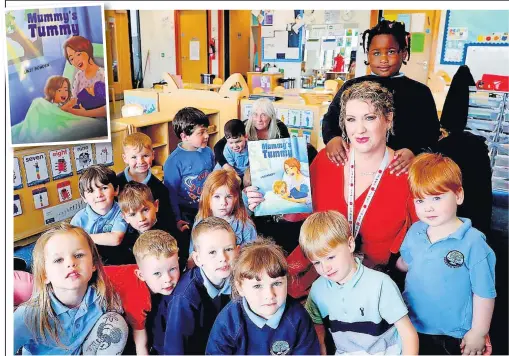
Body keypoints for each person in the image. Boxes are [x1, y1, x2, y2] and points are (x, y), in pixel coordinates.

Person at [247, 81, 417, 276]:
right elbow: (293, 215)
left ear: (388, 119)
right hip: (314, 274)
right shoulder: (327, 161)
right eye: (351, 119)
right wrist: (265, 198)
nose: (359, 129)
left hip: (371, 284)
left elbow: (419, 244)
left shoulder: (407, 175)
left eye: (369, 118)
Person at [397, 153, 496, 355]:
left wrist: (479, 331)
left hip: (453, 334)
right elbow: (406, 262)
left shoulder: (474, 242)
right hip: (412, 325)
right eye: (420, 200)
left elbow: (484, 293)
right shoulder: (416, 231)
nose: (428, 207)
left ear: (458, 195)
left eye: (437, 197)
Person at [322, 20, 440, 175]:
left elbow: (431, 131)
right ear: (368, 55)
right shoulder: (351, 86)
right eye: (376, 53)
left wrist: (414, 152)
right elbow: (331, 118)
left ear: (403, 53)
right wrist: (332, 138)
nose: (383, 59)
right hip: (358, 166)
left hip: (401, 169)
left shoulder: (420, 92)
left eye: (390, 51)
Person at [300, 211, 419, 355]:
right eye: (317, 262)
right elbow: (316, 328)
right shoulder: (318, 290)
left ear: (350, 244)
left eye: (331, 257)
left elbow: (408, 334)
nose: (325, 268)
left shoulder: (380, 284)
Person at [13, 223, 128, 355]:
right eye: (58, 260)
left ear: (94, 264)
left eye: (78, 255)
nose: (70, 263)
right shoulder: (28, 316)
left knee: (117, 321)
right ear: (45, 274)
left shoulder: (103, 297)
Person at [206, 238, 320, 355]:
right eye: (257, 286)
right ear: (240, 287)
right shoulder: (227, 322)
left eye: (277, 283)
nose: (269, 295)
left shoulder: (298, 317)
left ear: (287, 281)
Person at [153, 217, 239, 355]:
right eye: (212, 252)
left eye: (228, 249)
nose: (223, 258)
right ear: (198, 259)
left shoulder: (240, 282)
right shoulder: (185, 297)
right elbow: (175, 349)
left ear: (238, 251)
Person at [163, 107, 214, 233]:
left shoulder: (208, 151)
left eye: (206, 131)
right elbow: (171, 193)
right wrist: (177, 218)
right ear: (184, 136)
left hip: (209, 207)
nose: (207, 135)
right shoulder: (173, 161)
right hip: (187, 212)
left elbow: (213, 179)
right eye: (201, 132)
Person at [131, 229, 181, 355]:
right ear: (141, 275)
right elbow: (140, 341)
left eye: (173, 269)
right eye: (157, 273)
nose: (168, 279)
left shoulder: (152, 271)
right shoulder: (138, 298)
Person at [117, 132, 176, 235]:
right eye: (134, 157)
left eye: (145, 155)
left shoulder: (160, 189)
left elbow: (167, 220)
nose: (141, 161)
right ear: (125, 158)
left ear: (153, 155)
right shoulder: (116, 184)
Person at [188, 169, 256, 255]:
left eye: (228, 196)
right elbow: (193, 254)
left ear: (236, 198)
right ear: (208, 198)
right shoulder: (199, 222)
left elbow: (251, 260)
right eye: (217, 197)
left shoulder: (246, 226)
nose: (223, 203)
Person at [71, 165, 129, 265]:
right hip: (90, 263)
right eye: (91, 191)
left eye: (104, 188)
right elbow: (72, 245)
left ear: (116, 190)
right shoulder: (79, 219)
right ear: (83, 197)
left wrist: (83, 237)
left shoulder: (121, 211)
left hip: (118, 260)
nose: (98, 194)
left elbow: (116, 239)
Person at [214, 98, 290, 167]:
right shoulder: (244, 125)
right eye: (255, 114)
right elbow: (218, 146)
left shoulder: (280, 128)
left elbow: (288, 151)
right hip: (245, 166)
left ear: (271, 116)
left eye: (263, 115)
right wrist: (225, 165)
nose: (259, 119)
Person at [118, 182, 172, 263]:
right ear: (125, 218)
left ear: (156, 205)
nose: (141, 218)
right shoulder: (125, 239)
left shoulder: (169, 231)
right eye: (132, 214)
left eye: (145, 210)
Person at [61, 35, 107, 118]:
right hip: (78, 115)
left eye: (78, 54)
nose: (75, 61)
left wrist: (82, 113)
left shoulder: (102, 74)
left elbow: (106, 110)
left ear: (87, 51)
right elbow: (74, 100)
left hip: (95, 121)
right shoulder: (79, 75)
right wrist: (59, 111)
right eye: (71, 59)